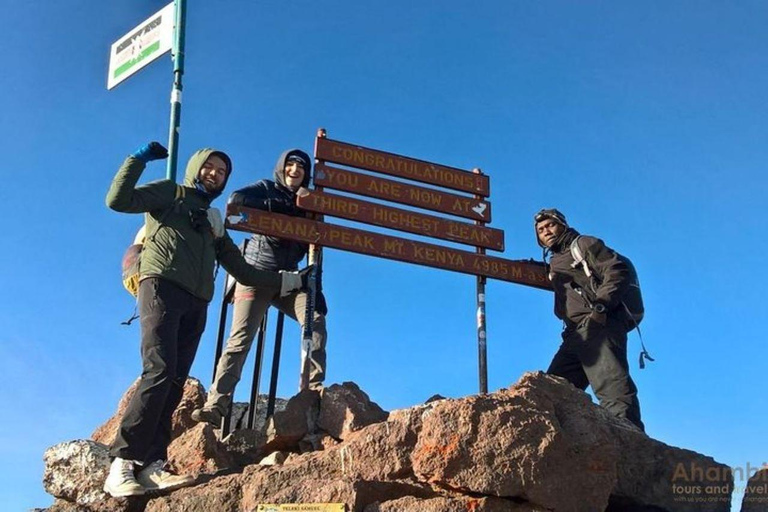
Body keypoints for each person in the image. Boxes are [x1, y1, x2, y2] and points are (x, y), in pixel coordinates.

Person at [103, 142, 311, 497]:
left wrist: (290, 281)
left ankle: (153, 464)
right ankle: (122, 463)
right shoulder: (170, 193)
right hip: (161, 286)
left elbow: (244, 270)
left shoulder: (214, 220)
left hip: (197, 301)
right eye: (210, 167)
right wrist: (137, 161)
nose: (215, 175)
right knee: (159, 370)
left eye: (222, 172)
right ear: (197, 167)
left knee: (175, 381)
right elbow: (118, 200)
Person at [191, 149, 328, 427]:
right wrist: (279, 208)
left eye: (300, 168)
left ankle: (314, 394)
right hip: (256, 273)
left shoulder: (311, 204)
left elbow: (317, 246)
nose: (294, 170)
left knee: (315, 322)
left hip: (291, 280)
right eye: (289, 165)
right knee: (240, 340)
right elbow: (237, 200)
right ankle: (216, 405)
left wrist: (317, 288)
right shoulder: (267, 187)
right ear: (281, 168)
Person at [534, 208, 644, 431]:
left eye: (550, 225)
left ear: (562, 225)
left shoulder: (583, 244)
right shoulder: (555, 261)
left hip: (599, 324)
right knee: (553, 389)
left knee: (612, 387)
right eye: (540, 230)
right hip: (574, 334)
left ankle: (630, 443)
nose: (546, 231)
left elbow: (616, 270)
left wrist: (601, 307)